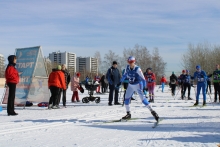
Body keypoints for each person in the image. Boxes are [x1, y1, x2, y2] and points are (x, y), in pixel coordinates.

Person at [117, 56, 159, 121]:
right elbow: (125, 75)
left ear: (134, 62)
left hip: (138, 85)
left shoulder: (137, 69)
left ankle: (153, 112)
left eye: (131, 62)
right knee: (126, 99)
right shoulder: (127, 68)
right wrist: (120, 82)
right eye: (129, 62)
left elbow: (143, 79)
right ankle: (128, 114)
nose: (130, 63)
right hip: (130, 85)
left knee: (143, 100)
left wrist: (144, 87)